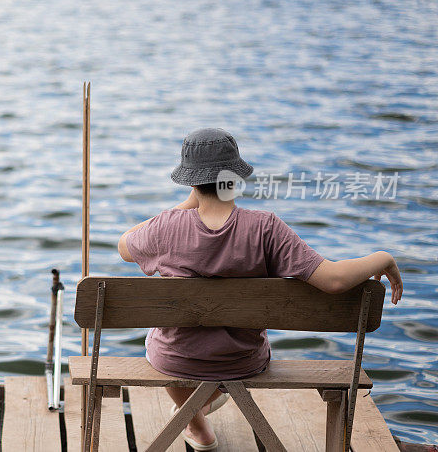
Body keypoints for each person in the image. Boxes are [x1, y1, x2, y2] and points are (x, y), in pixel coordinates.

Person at [118, 128, 403, 451]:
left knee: (162, 345)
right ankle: (198, 414)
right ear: (234, 180)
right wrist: (382, 257)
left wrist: (183, 207)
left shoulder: (167, 226)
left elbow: (125, 246)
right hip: (243, 361)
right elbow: (333, 280)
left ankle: (197, 425)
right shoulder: (266, 228)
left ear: (190, 182)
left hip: (174, 359)